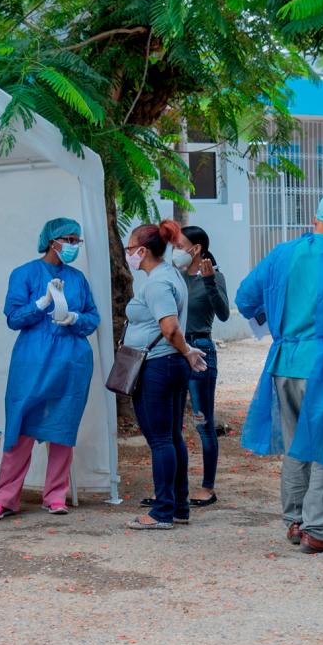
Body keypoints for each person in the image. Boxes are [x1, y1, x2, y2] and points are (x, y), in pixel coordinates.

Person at [235, 192, 323, 552]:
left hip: (285, 361)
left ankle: (295, 520)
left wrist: (276, 321)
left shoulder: (281, 254)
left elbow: (245, 299)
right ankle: (317, 530)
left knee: (297, 444)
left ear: (316, 219)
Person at [0, 217, 102, 519]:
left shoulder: (78, 279)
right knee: (20, 428)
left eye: (76, 240)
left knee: (62, 429)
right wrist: (41, 304)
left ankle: (55, 495)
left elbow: (93, 318)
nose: (73, 245)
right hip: (33, 361)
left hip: (71, 362)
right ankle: (4, 498)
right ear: (51, 240)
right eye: (68, 239)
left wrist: (75, 318)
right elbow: (13, 318)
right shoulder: (24, 274)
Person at [125, 222, 210, 530]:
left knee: (161, 439)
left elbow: (170, 328)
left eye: (130, 247)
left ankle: (162, 511)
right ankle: (178, 506)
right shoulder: (169, 274)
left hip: (158, 366)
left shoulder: (158, 283)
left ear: (143, 250)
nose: (129, 253)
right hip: (167, 365)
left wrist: (186, 350)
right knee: (172, 437)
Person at [179, 224, 230, 507]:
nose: (176, 250)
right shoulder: (174, 276)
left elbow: (223, 313)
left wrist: (210, 282)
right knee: (172, 422)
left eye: (179, 245)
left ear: (196, 249)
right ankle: (175, 485)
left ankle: (208, 486)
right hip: (174, 350)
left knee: (203, 421)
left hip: (200, 348)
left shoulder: (213, 276)